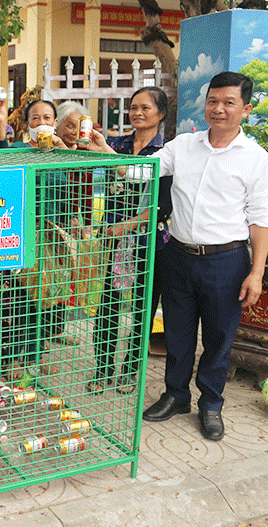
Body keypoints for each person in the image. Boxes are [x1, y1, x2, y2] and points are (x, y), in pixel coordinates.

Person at [88, 72, 268, 440]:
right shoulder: (182, 146)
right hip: (179, 255)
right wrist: (106, 152)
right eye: (212, 101)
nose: (218, 109)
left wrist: (256, 272)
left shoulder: (257, 159)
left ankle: (211, 404)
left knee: (219, 337)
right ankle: (175, 395)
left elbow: (260, 219)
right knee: (178, 333)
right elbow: (141, 172)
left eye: (228, 102)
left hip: (226, 260)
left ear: (246, 109)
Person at [89, 86, 172, 395]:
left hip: (148, 243)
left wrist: (129, 225)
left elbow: (165, 203)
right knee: (107, 307)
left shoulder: (167, 152)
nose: (137, 112)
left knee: (142, 309)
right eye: (133, 107)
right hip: (113, 241)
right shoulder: (116, 144)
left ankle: (129, 371)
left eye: (145, 108)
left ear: (160, 114)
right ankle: (103, 368)